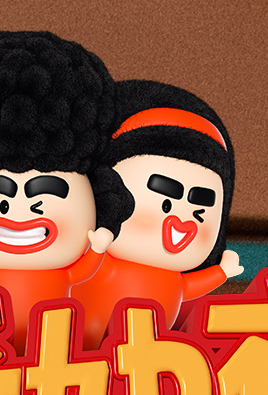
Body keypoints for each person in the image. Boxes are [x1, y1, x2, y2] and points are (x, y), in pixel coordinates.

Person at [0, 29, 119, 309]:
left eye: (44, 193)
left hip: (54, 331)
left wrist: (98, 248)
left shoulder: (65, 269)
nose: (19, 209)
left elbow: (82, 272)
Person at [76, 83, 243, 321]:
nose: (182, 221)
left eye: (199, 213)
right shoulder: (98, 265)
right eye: (166, 205)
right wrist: (96, 248)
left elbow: (190, 288)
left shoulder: (175, 280)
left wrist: (222, 271)